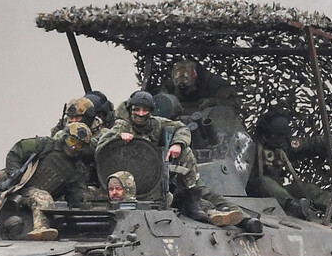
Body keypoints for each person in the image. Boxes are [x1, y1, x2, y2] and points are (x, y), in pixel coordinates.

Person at [96, 91, 245, 226]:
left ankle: (212, 208)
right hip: (133, 183)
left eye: (145, 110)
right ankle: (209, 210)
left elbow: (182, 128)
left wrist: (177, 144)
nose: (141, 114)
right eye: (137, 110)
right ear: (130, 110)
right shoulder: (121, 126)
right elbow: (100, 148)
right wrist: (118, 137)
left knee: (186, 157)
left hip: (158, 175)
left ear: (151, 111)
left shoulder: (157, 124)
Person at [0, 122, 96, 241]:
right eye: (72, 142)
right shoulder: (44, 144)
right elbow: (16, 151)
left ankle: (40, 228)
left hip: (30, 191)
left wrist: (83, 198)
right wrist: (14, 173)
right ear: (65, 137)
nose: (74, 148)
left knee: (44, 198)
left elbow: (76, 194)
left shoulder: (77, 170)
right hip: (13, 179)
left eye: (79, 145)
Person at [249, 107, 332, 227]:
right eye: (276, 136)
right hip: (252, 193)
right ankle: (293, 207)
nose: (279, 139)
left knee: (306, 189)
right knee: (264, 181)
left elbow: (313, 143)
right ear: (266, 133)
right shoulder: (251, 144)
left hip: (278, 193)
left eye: (281, 136)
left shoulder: (284, 145)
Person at [160, 60, 244, 120]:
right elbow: (158, 105)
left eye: (188, 88)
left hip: (213, 124)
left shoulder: (214, 84)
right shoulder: (169, 86)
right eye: (182, 90)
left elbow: (236, 104)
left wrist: (213, 102)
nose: (186, 92)